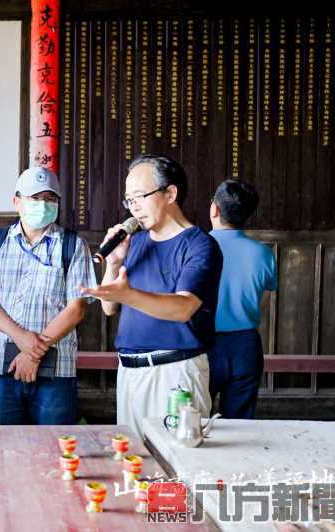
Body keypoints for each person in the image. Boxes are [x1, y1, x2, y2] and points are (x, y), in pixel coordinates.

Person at [82, 154, 223, 440]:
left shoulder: (200, 245)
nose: (133, 207)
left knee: (178, 466)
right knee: (135, 463)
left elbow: (184, 308)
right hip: (129, 371)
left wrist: (130, 295)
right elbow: (109, 307)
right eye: (128, 200)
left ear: (170, 193)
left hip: (175, 374)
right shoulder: (136, 243)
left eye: (140, 196)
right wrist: (114, 263)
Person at [0, 167, 96, 425]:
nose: (43, 204)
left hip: (57, 371)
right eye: (35, 198)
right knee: (9, 449)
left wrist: (32, 352)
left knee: (54, 447)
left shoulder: (72, 245)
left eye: (50, 199)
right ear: (17, 201)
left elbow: (76, 309)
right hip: (4, 367)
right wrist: (20, 336)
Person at [209, 179, 277, 419]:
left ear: (214, 209)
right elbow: (265, 298)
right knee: (240, 425)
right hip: (246, 345)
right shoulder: (263, 253)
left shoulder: (196, 246)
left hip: (200, 343)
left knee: (192, 420)